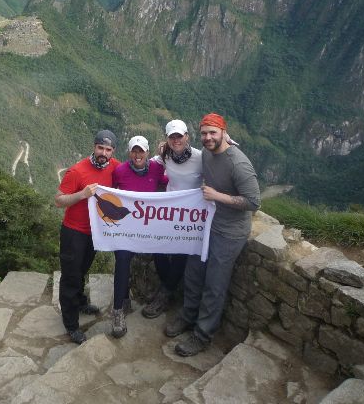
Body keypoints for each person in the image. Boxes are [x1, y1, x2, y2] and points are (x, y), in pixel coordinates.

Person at [165, 112, 260, 356]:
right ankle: (188, 315)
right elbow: (184, 155)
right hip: (207, 223)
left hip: (230, 231)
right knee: (194, 272)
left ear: (223, 133)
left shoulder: (238, 163)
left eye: (213, 133)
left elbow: (253, 201)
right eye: (204, 133)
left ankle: (202, 335)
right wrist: (165, 149)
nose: (208, 137)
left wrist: (218, 197)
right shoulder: (206, 153)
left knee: (215, 283)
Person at [55, 129, 119, 344]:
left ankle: (80, 302)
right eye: (100, 147)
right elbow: (59, 200)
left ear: (113, 151)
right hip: (74, 232)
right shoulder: (77, 171)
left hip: (95, 232)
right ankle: (71, 324)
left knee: (82, 270)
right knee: (71, 276)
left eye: (108, 149)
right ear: (94, 147)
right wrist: (82, 194)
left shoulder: (115, 167)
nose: (103, 152)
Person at [141, 119, 203, 319]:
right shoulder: (165, 156)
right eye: (172, 137)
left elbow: (216, 173)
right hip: (169, 211)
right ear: (167, 139)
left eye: (179, 136)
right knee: (158, 248)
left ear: (187, 136)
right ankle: (167, 289)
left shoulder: (200, 158)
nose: (176, 140)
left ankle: (165, 293)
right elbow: (146, 165)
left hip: (190, 215)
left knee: (179, 254)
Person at [109, 135, 168, 338]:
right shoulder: (120, 171)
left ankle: (166, 293)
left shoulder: (156, 169)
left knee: (162, 255)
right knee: (123, 259)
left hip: (150, 227)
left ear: (147, 153)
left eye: (141, 151)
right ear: (129, 152)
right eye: (134, 151)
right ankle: (118, 309)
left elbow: (169, 185)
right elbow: (111, 192)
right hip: (126, 228)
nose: (137, 155)